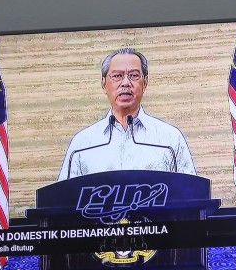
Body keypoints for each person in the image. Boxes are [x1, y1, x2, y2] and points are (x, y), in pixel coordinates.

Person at [57, 47, 196, 180]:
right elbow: (62, 200)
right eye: (117, 76)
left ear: (145, 83)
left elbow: (192, 194)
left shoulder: (170, 139)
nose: (125, 83)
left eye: (134, 76)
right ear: (104, 84)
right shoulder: (82, 143)